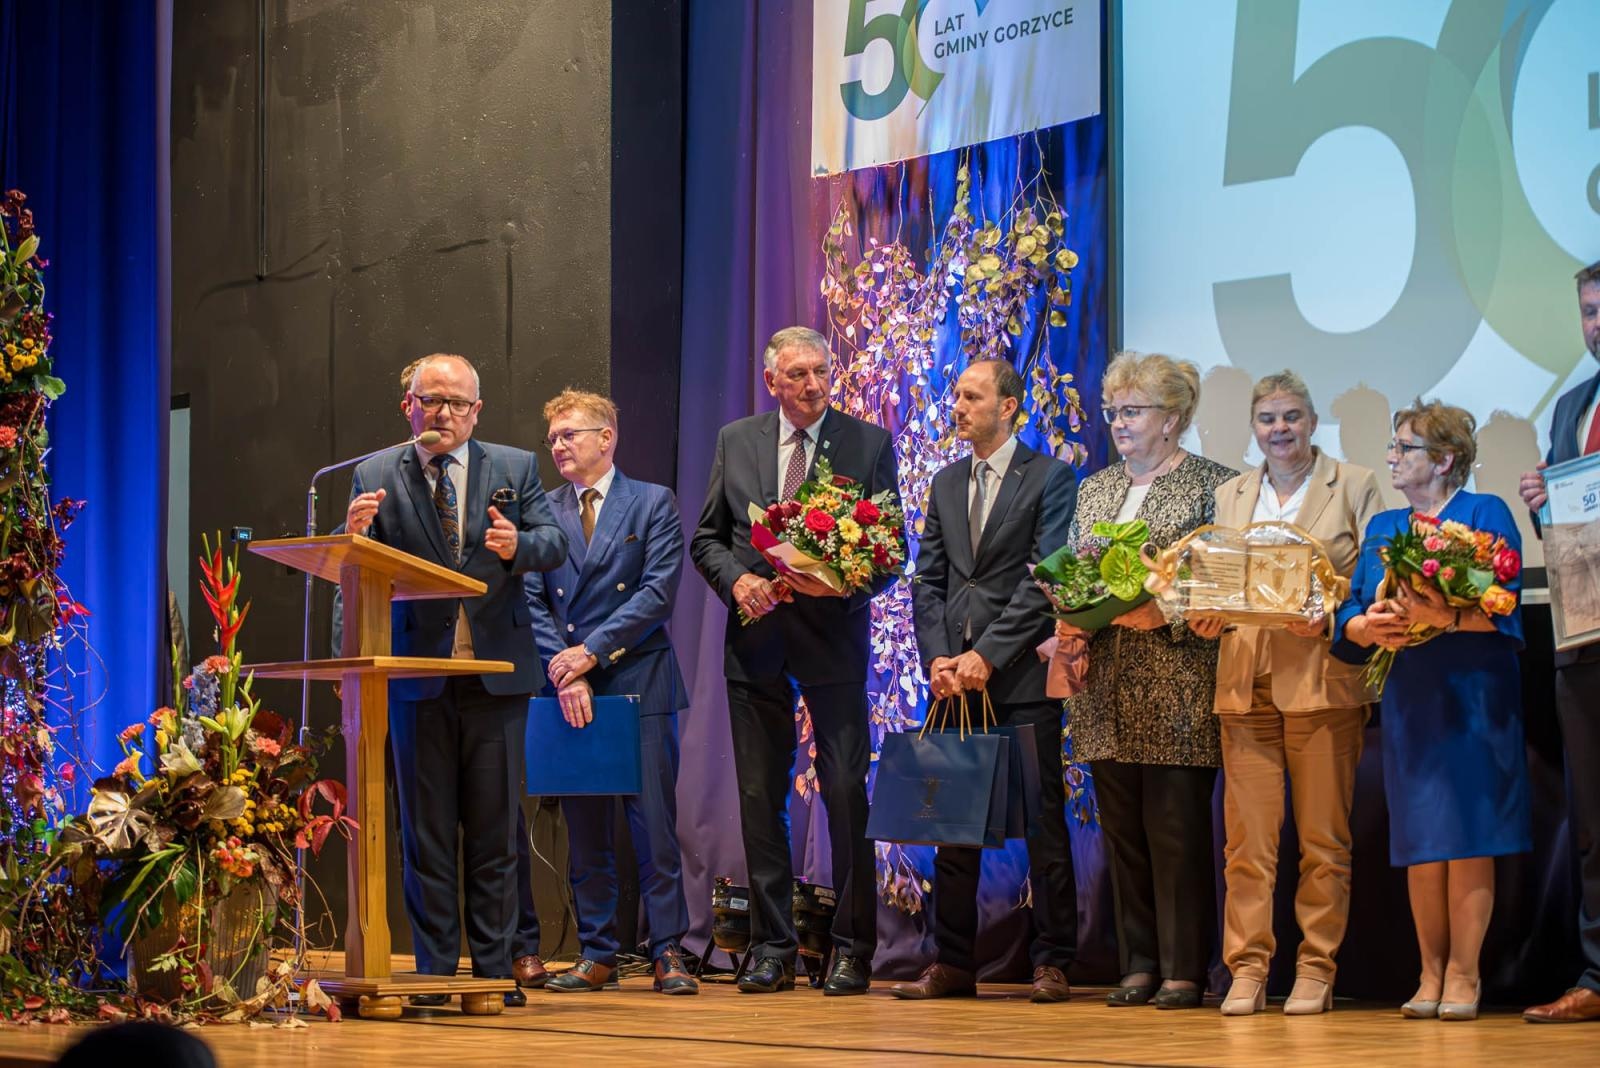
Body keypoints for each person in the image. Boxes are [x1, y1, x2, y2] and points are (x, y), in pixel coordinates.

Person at [343, 353, 566, 1003]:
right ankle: (436, 975)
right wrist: (352, 540)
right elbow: (348, 576)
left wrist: (516, 547)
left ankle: (495, 974)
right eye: (432, 401)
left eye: (458, 404)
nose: (445, 414)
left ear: (478, 410)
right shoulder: (375, 471)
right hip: (413, 675)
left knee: (495, 834)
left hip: (496, 674)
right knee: (426, 835)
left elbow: (553, 546)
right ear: (407, 405)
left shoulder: (514, 467)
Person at [689, 325, 901, 995]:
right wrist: (737, 582)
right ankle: (773, 947)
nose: (813, 385)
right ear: (771, 380)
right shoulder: (736, 440)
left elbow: (892, 553)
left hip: (833, 638)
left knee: (843, 792)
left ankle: (851, 949)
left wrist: (843, 581)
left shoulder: (867, 443)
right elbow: (708, 540)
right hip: (756, 642)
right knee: (759, 797)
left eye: (821, 371)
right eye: (799, 374)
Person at [1189, 371, 1383, 1015]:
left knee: (1324, 841)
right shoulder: (1231, 492)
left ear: (1312, 421)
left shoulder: (1353, 484)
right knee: (1246, 845)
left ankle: (1316, 969)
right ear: (1254, 426)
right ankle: (1247, 969)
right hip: (1244, 682)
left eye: (1292, 417)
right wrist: (1206, 613)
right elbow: (1219, 577)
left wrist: (1329, 611)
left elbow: (1370, 577)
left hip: (1323, 682)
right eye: (1268, 418)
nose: (1280, 429)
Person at [1337, 398, 1530, 1021]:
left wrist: (1443, 614)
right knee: (1421, 840)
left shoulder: (1485, 512)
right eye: (1394, 446)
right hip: (1412, 698)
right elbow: (1352, 610)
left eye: (1405, 447)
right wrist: (1370, 624)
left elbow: (1503, 602)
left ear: (1445, 460)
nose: (1392, 457)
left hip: (1474, 695)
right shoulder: (1386, 528)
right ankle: (1428, 973)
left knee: (1469, 837)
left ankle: (1466, 976)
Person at [894, 359, 1080, 1003]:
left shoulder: (1051, 477)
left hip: (1019, 678)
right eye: (957, 395)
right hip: (952, 683)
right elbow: (930, 580)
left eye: (972, 396)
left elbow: (1047, 576)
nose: (958, 405)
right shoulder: (945, 482)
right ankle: (952, 963)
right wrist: (940, 658)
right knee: (953, 822)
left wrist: (991, 654)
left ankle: (1053, 960)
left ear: (1009, 408)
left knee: (1044, 822)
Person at [1061, 351, 1236, 1010]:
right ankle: (1137, 963)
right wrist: (1070, 612)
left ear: (1175, 417)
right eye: (1113, 410)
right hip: (1105, 685)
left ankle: (1185, 970)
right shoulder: (1095, 488)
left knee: (1176, 832)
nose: (1117, 422)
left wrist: (1164, 608)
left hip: (1177, 681)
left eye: (1132, 410)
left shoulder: (1213, 486)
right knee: (1124, 835)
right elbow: (1079, 569)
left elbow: (1219, 580)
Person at [523, 389, 698, 996]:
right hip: (570, 688)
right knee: (586, 828)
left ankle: (668, 949)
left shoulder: (652, 502)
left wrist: (590, 654)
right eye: (553, 439)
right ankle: (596, 952)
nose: (559, 446)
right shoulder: (542, 512)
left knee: (653, 826)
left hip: (637, 681)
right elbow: (533, 601)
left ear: (606, 438)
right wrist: (564, 670)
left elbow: (657, 594)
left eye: (570, 434)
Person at [1518, 259, 1600, 1023]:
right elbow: (1569, 524)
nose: (1597, 321)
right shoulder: (1574, 402)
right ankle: (1598, 978)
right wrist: (1545, 501)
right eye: (1589, 310)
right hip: (1583, 630)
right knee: (1593, 818)